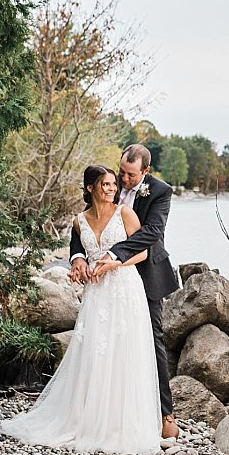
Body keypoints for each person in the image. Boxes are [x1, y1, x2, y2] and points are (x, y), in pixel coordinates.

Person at [0, 165, 162, 454]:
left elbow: (143, 251)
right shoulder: (79, 221)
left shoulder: (125, 213)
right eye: (105, 184)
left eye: (113, 184)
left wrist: (115, 263)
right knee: (94, 352)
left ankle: (117, 424)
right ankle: (86, 418)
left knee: (122, 351)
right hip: (96, 293)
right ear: (90, 188)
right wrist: (77, 261)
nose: (112, 189)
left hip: (124, 288)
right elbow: (78, 249)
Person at [73, 144, 181, 439]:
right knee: (105, 340)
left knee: (152, 338)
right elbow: (84, 222)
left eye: (130, 174)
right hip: (106, 280)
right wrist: (79, 257)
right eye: (121, 171)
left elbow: (152, 233)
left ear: (145, 171)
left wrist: (113, 255)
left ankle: (164, 413)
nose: (123, 178)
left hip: (144, 273)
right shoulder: (108, 184)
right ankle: (102, 409)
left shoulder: (160, 191)